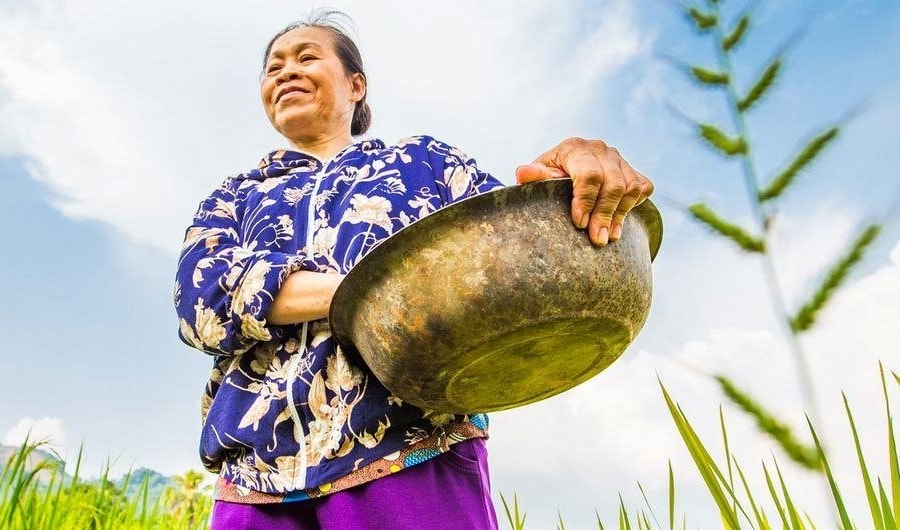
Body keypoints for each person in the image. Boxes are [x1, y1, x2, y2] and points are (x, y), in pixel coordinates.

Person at [174, 11, 654, 530]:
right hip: (255, 478)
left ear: (356, 85)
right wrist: (380, 291)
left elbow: (514, 249)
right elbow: (201, 299)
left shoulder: (423, 164)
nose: (285, 72)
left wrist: (569, 170)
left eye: (307, 57)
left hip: (412, 449)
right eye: (273, 68)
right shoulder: (236, 196)